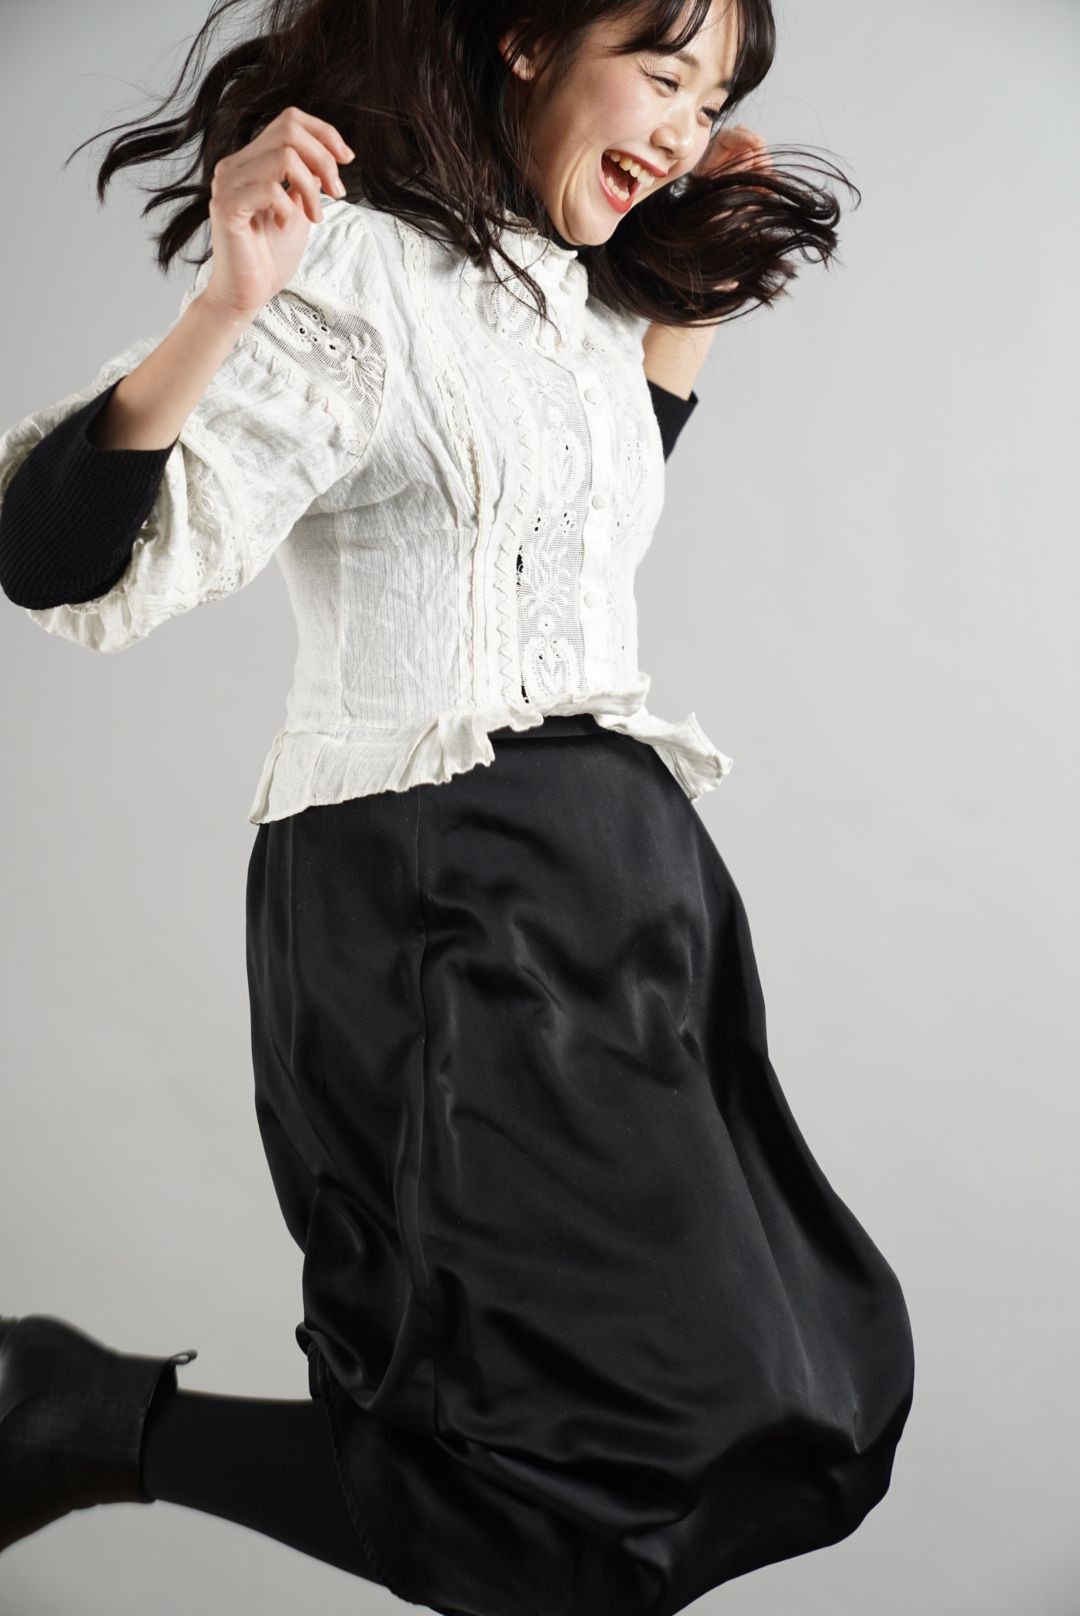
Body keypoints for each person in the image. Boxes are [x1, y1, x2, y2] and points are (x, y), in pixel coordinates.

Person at [0, 2, 914, 1614]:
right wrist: (228, 302)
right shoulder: (348, 276)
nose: (685, 126)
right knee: (558, 1472)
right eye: (662, 70)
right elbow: (56, 559)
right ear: (527, 39)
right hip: (442, 883)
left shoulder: (577, 293)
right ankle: (86, 1423)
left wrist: (687, 306)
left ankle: (76, 1417)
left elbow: (573, 518)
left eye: (712, 97)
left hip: (627, 888)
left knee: (795, 1410)